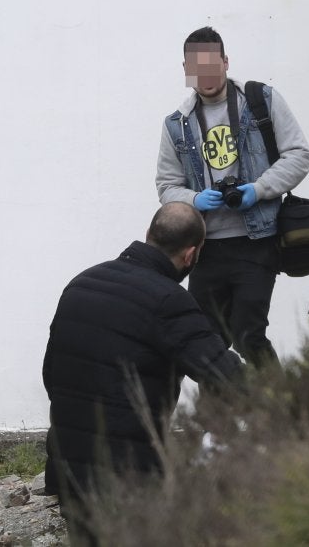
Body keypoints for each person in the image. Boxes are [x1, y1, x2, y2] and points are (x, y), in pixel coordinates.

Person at [42, 202, 242, 540]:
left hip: (69, 465)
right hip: (128, 475)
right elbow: (225, 374)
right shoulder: (169, 300)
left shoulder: (81, 283)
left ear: (149, 235)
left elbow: (51, 372)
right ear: (191, 254)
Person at [155, 26, 309, 367]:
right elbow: (167, 187)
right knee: (206, 340)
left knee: (248, 333)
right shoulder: (176, 124)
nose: (206, 74)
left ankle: (279, 414)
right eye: (197, 67)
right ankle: (219, 420)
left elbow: (299, 155)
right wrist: (195, 200)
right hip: (204, 247)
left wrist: (257, 190)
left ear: (226, 62)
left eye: (212, 64)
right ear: (186, 70)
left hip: (257, 240)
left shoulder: (261, 101)